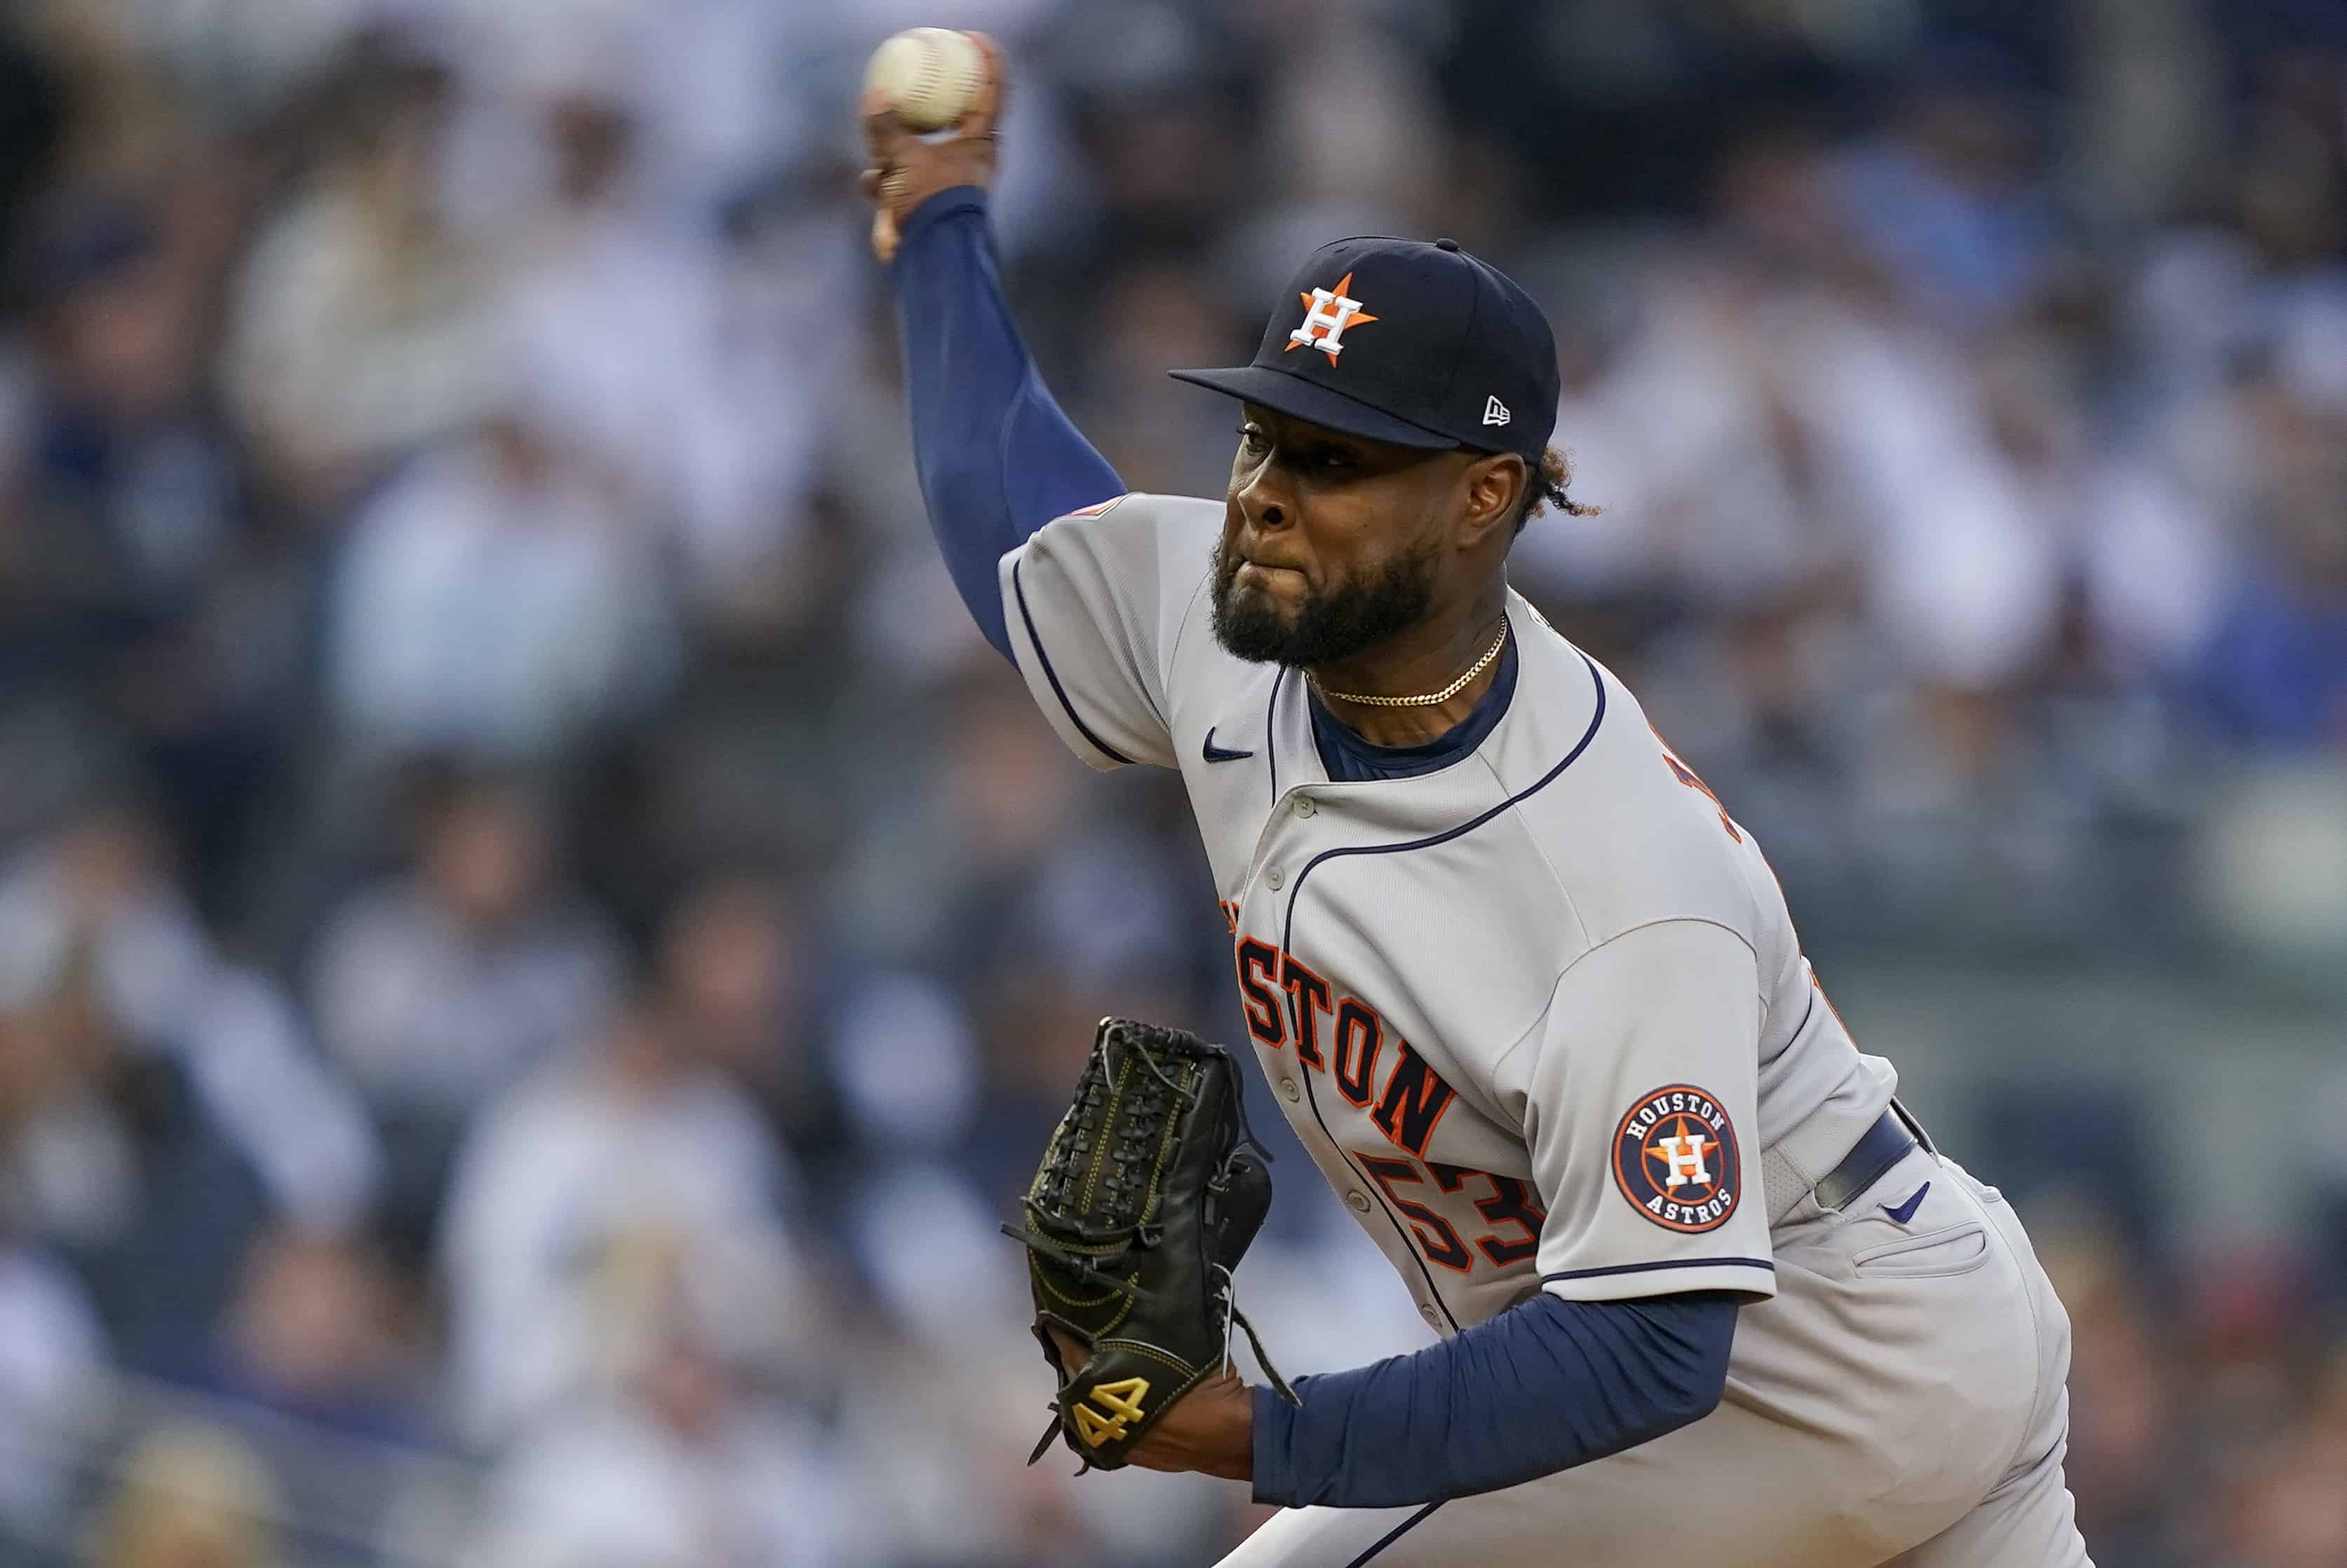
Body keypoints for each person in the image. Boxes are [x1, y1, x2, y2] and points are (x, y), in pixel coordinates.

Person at [861, 39, 2092, 1568]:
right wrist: (940, 224)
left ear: (1481, 498)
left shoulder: (1609, 882)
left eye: (1333, 460)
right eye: (1261, 434)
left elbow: (1647, 1351)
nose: (1262, 494)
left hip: (1812, 1354)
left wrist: (1251, 1433)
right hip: (1871, 1323)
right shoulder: (1252, 612)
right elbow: (1015, 523)